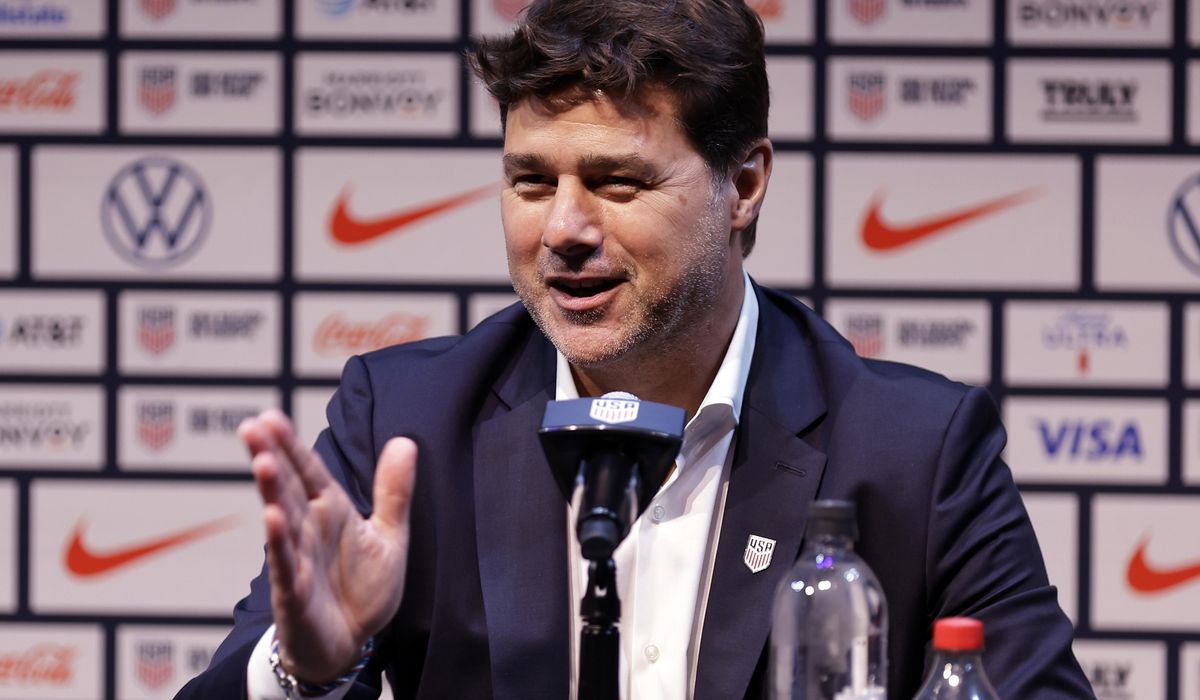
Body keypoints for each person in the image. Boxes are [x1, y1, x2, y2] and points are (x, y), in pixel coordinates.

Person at [176, 0, 1094, 698]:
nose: (563, 229)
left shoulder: (916, 449)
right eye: (531, 182)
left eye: (617, 181)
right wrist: (304, 672)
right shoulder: (406, 424)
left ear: (744, 183)